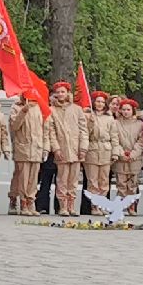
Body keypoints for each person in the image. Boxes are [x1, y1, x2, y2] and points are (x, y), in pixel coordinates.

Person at [45, 83, 87, 217]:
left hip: (76, 149)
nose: (61, 94)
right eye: (58, 92)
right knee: (62, 180)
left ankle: (71, 205)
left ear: (68, 93)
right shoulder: (51, 110)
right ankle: (62, 206)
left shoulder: (77, 109)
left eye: (63, 92)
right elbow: (51, 132)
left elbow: (83, 130)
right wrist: (56, 148)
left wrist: (83, 148)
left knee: (73, 180)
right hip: (62, 149)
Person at [8, 89, 50, 216]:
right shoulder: (16, 107)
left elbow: (45, 130)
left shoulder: (40, 108)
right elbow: (14, 126)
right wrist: (23, 111)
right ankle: (22, 202)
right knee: (22, 177)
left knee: (33, 177)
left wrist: (45, 148)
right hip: (23, 148)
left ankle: (31, 201)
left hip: (36, 148)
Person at [79, 92, 113, 214]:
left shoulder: (109, 117)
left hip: (105, 149)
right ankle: (94, 206)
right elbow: (84, 133)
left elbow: (114, 136)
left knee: (104, 180)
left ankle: (102, 204)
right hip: (92, 148)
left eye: (102, 102)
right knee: (92, 180)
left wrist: (114, 152)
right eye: (98, 101)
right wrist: (90, 123)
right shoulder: (87, 116)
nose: (100, 104)